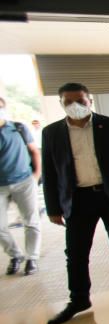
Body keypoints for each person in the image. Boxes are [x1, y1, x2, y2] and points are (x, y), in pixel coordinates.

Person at [42, 83, 109, 324]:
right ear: (61, 104)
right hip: (77, 199)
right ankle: (79, 298)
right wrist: (53, 208)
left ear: (90, 101)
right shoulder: (52, 132)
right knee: (75, 252)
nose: (75, 106)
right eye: (68, 102)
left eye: (80, 100)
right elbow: (49, 173)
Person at [0, 95, 41, 276]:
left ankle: (32, 258)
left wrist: (36, 175)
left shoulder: (18, 128)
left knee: (31, 221)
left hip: (24, 181)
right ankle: (15, 255)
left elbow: (34, 151)